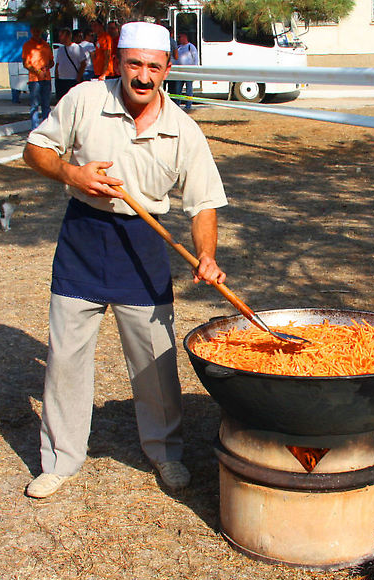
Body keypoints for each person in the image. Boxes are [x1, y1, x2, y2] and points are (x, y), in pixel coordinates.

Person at [21, 21, 228, 498]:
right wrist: (73, 173)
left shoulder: (183, 131)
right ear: (118, 63)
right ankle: (61, 459)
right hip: (84, 238)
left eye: (153, 66)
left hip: (144, 247)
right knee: (66, 359)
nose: (143, 75)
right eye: (134, 63)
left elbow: (203, 203)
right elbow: (34, 149)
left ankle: (165, 452)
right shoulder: (85, 100)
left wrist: (206, 255)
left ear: (167, 70)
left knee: (154, 361)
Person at [22, 26, 54, 128]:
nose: (37, 32)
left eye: (38, 30)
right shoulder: (27, 45)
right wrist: (38, 71)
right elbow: (26, 63)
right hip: (34, 79)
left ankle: (45, 128)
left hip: (46, 78)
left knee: (46, 105)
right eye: (35, 30)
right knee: (35, 106)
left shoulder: (46, 45)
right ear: (31, 31)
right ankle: (34, 129)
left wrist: (46, 68)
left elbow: (51, 61)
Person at [54, 28, 87, 103]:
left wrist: (78, 77)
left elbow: (83, 64)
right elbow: (58, 64)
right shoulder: (60, 49)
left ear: (68, 36)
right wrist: (56, 78)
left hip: (72, 80)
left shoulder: (77, 48)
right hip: (61, 80)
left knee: (73, 101)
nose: (59, 38)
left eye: (61, 36)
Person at [173, 32, 198, 110]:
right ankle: (177, 105)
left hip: (188, 72)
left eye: (180, 37)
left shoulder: (191, 47)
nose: (179, 39)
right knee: (178, 90)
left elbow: (195, 59)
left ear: (185, 37)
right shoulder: (179, 47)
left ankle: (188, 105)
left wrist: (194, 70)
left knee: (189, 90)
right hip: (180, 72)